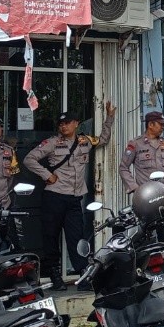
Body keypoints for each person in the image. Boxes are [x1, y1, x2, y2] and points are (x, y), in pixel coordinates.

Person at [24, 102, 115, 291]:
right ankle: (55, 275)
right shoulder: (52, 143)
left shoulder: (84, 141)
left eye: (67, 123)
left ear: (76, 124)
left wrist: (109, 117)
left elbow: (103, 139)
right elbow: (29, 159)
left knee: (77, 238)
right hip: (54, 197)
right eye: (60, 124)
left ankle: (83, 276)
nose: (63, 126)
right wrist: (47, 175)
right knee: (51, 237)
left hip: (74, 199)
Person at [118, 110, 164, 245]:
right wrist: (136, 190)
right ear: (150, 125)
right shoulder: (136, 144)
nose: (163, 127)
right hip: (147, 200)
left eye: (163, 124)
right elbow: (123, 168)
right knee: (146, 237)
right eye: (160, 124)